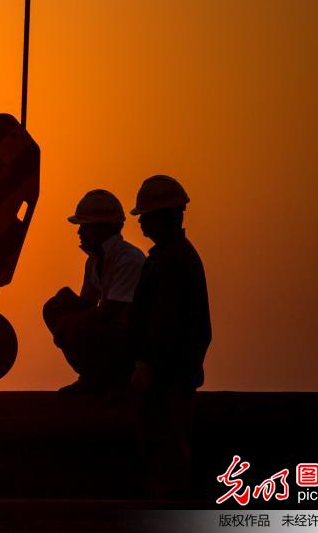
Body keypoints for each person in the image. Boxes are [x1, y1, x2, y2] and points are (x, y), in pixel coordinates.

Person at [128, 174, 211, 498]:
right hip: (172, 371)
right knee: (162, 444)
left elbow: (164, 321)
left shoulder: (173, 262)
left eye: (146, 216)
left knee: (167, 445)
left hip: (169, 374)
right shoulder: (168, 257)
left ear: (163, 217)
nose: (142, 223)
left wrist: (147, 365)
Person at [43, 189, 146, 394]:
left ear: (102, 229)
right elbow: (88, 303)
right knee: (55, 307)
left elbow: (114, 311)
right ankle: (92, 376)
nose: (79, 232)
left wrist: (69, 322)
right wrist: (66, 303)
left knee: (75, 326)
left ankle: (112, 379)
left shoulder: (128, 260)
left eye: (84, 227)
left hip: (131, 341)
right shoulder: (94, 261)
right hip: (111, 331)